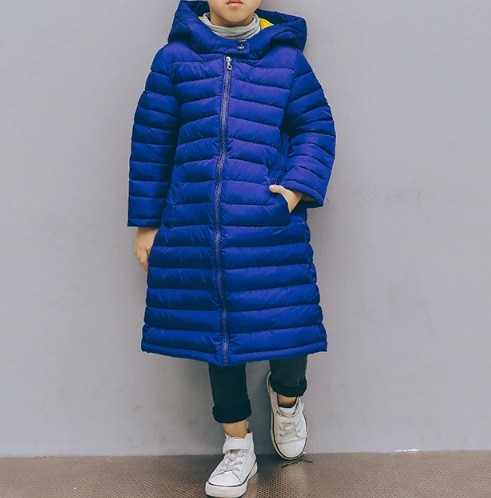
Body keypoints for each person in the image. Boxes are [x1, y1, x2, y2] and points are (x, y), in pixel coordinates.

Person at [127, 1, 336, 496]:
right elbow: (153, 141)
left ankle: (287, 400)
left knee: (287, 326)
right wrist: (147, 225)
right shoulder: (174, 59)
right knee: (218, 340)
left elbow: (315, 127)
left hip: (267, 227)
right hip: (196, 227)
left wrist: (292, 191)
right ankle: (237, 446)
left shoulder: (286, 60)